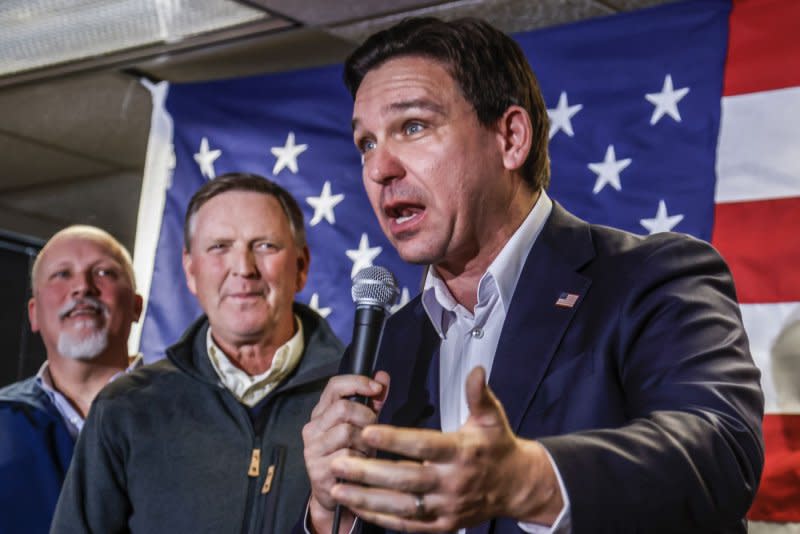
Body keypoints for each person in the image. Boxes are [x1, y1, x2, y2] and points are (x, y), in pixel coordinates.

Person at [300, 17, 764, 534]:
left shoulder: (652, 277)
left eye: (413, 127)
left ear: (511, 137)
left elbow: (722, 451)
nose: (379, 167)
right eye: (365, 142)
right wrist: (329, 512)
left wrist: (531, 480)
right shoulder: (387, 344)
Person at [52, 173, 344, 533]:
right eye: (219, 247)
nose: (243, 268)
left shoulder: (355, 403)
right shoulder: (124, 408)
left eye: (265, 246)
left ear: (300, 268)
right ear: (190, 271)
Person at [0, 225, 143, 534]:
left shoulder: (190, 418)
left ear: (136, 306)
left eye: (104, 272)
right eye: (62, 275)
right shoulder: (4, 421)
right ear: (34, 314)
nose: (82, 287)